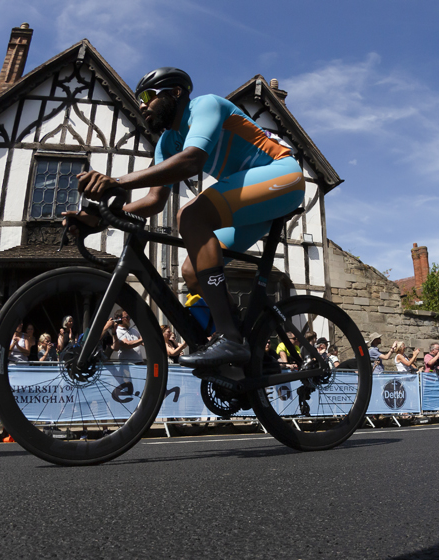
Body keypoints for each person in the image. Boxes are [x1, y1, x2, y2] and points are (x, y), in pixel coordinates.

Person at [64, 67, 305, 368]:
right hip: (254, 201)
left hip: (284, 177)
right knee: (191, 270)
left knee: (191, 215)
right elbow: (154, 201)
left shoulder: (205, 106)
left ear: (175, 93)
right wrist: (99, 217)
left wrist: (118, 182)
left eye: (148, 97)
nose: (141, 105)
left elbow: (193, 161)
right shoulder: (166, 143)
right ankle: (248, 346)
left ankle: (229, 338)